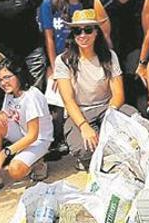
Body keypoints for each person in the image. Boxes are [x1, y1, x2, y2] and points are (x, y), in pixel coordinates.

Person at [53, 10, 134, 168]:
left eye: (88, 30)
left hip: (107, 108)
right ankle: (95, 156)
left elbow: (118, 94)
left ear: (96, 32)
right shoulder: (63, 60)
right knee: (85, 149)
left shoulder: (109, 56)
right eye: (77, 31)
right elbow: (68, 101)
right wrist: (84, 126)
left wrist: (110, 118)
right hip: (80, 113)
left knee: (135, 120)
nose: (83, 35)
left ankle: (107, 154)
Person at [0, 59, 53, 195]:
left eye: (7, 77)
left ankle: (36, 162)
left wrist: (5, 152)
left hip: (39, 140)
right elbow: (6, 115)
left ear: (19, 74)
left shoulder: (31, 96)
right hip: (22, 133)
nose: (3, 83)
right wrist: (0, 114)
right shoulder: (10, 94)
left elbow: (33, 135)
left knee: (15, 171)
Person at [95, 0, 149, 114]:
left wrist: (142, 64)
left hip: (139, 45)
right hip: (115, 48)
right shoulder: (102, 0)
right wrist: (112, 67)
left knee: (139, 84)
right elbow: (105, 38)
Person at [40, 0, 94, 71]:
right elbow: (49, 39)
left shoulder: (92, 2)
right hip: (60, 61)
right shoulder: (49, 3)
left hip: (87, 61)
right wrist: (55, 68)